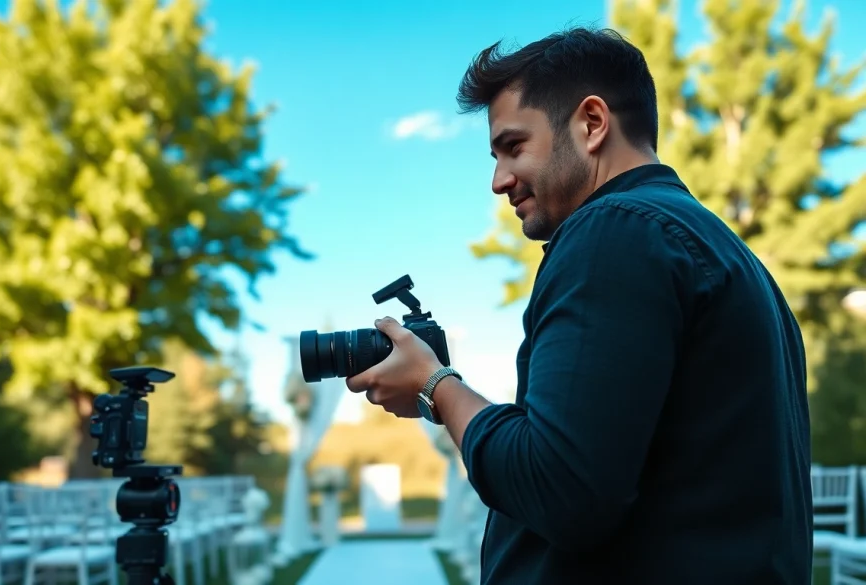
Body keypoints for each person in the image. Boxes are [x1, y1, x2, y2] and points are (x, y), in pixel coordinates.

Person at [345, 26, 812, 585]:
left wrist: (436, 386)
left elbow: (559, 488)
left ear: (592, 123)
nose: (498, 181)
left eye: (514, 147)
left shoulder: (614, 232)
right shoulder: (727, 255)